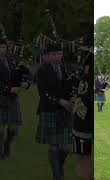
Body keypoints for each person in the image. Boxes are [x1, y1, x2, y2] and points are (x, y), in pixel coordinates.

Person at [0, 38, 29, 160]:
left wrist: (24, 83)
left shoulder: (11, 59)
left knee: (13, 127)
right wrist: (8, 89)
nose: (1, 50)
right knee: (0, 126)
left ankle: (7, 144)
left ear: (7, 48)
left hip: (11, 97)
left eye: (3, 47)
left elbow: (17, 75)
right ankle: (0, 151)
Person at [35, 43, 73, 180]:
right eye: (53, 54)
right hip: (49, 109)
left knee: (67, 146)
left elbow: (69, 87)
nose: (57, 57)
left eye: (59, 54)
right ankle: (57, 175)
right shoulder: (42, 70)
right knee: (54, 145)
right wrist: (59, 101)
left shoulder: (65, 69)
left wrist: (72, 98)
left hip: (64, 110)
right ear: (48, 56)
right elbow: (43, 93)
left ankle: (58, 168)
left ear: (62, 54)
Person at [72, 54, 92, 180]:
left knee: (84, 156)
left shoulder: (89, 61)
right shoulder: (88, 60)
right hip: (84, 116)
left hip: (84, 117)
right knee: (84, 155)